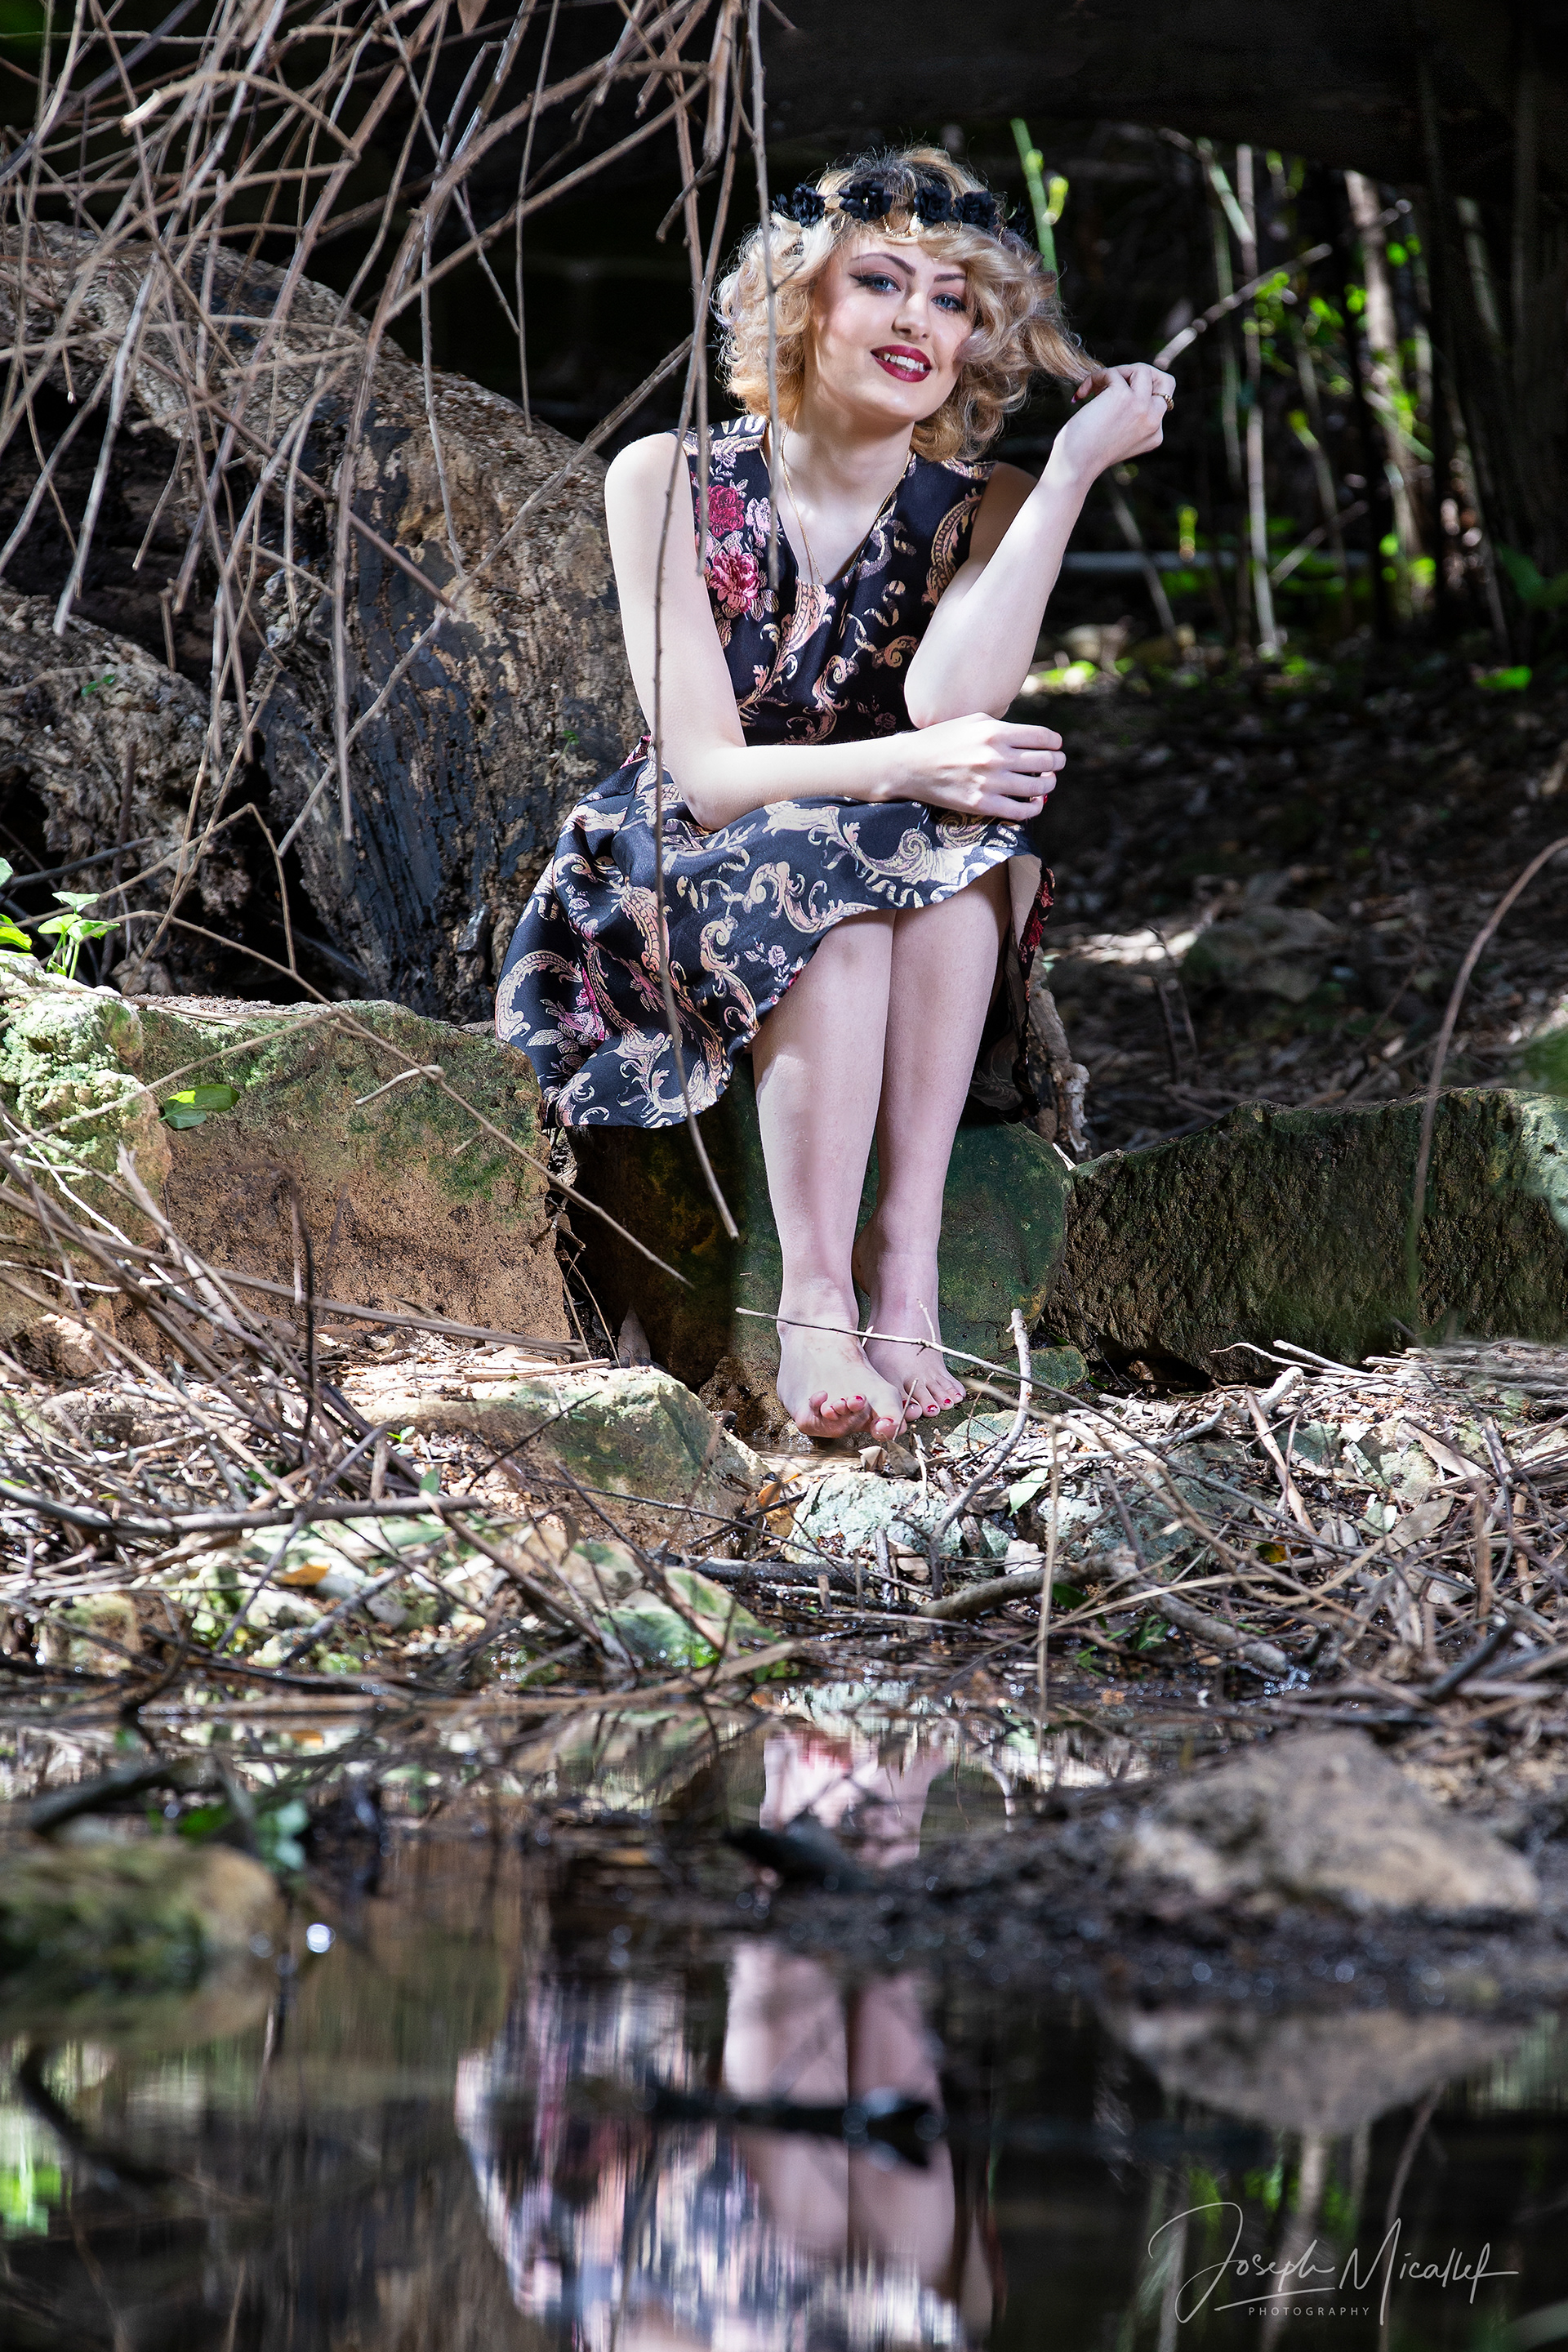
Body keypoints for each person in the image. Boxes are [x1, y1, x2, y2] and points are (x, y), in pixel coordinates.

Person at [496, 147, 1174, 1442]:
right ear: (802, 301)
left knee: (966, 859)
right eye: (882, 281)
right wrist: (905, 774)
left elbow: (946, 706)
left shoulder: (989, 506)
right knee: (846, 874)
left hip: (902, 850)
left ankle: (904, 1272)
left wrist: (1076, 471)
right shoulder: (668, 478)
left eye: (954, 300)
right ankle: (812, 1303)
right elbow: (704, 772)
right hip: (682, 862)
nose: (920, 318)